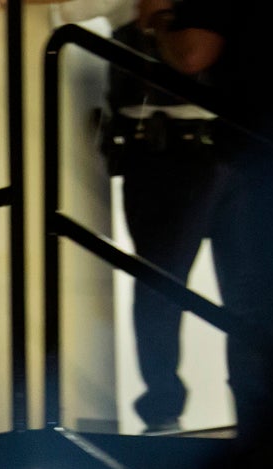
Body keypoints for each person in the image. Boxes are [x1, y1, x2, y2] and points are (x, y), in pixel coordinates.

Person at [105, 0, 222, 433]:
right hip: (158, 146)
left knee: (242, 295)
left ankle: (255, 413)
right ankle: (163, 410)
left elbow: (193, 56)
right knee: (161, 286)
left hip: (226, 139)